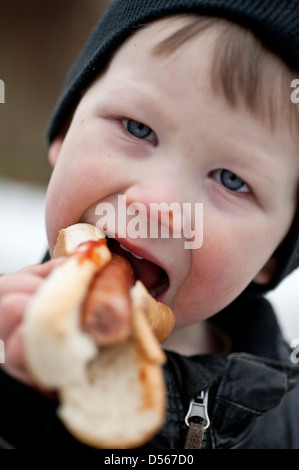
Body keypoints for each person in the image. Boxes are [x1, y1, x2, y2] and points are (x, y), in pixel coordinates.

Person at [0, 0, 299, 449]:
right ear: (64, 133)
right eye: (137, 128)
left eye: (232, 180)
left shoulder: (283, 419)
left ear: (274, 253)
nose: (158, 205)